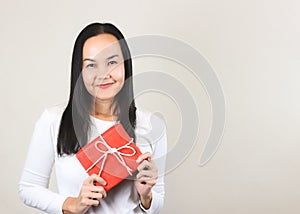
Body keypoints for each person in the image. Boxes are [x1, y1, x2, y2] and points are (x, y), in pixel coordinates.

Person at [18, 23, 167, 214]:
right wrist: (72, 204)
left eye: (112, 62)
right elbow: (28, 188)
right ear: (79, 71)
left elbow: (158, 199)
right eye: (91, 65)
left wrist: (147, 196)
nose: (103, 74)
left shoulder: (152, 124)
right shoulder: (54, 120)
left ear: (126, 65)